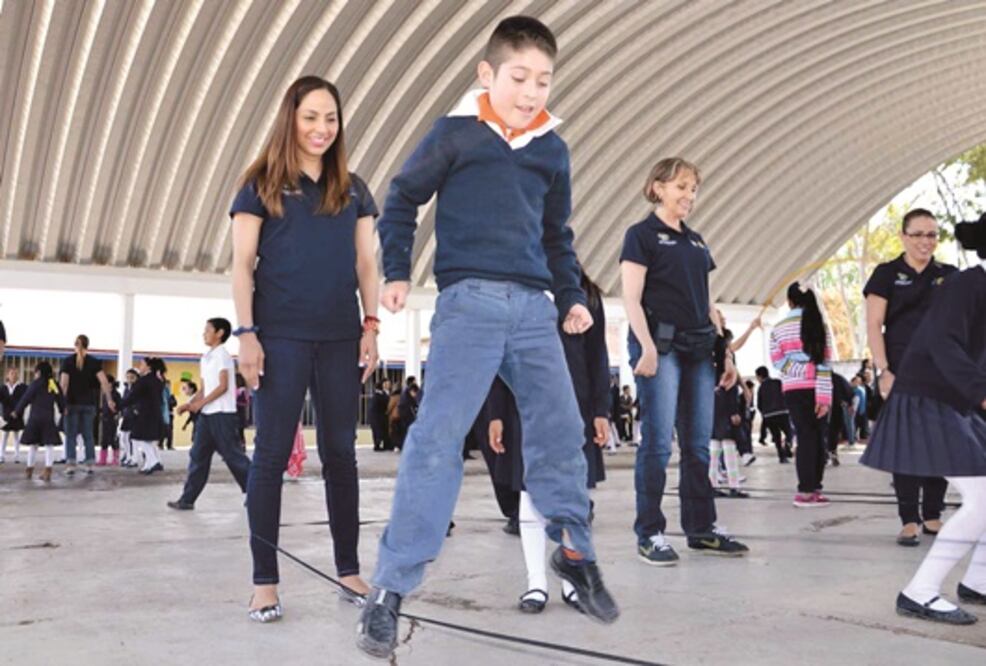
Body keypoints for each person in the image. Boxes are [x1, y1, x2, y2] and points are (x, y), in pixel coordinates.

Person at [358, 17, 619, 658]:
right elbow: (401, 198)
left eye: (543, 80)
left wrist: (570, 300)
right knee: (437, 440)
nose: (532, 92)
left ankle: (573, 550)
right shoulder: (456, 135)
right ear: (487, 74)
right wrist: (395, 270)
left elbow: (558, 238)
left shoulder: (552, 149)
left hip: (534, 309)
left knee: (562, 428)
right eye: (519, 78)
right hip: (469, 302)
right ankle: (389, 589)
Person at [230, 75, 380, 623]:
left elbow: (366, 262)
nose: (322, 128)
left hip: (341, 337)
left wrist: (370, 324)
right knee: (270, 456)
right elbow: (242, 265)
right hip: (280, 338)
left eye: (331, 118)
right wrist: (246, 335)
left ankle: (348, 569)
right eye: (312, 116)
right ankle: (264, 581)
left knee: (341, 454)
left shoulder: (354, 189)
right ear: (291, 117)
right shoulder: (260, 183)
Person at [620, 157, 747, 567]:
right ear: (657, 187)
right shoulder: (641, 236)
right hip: (661, 346)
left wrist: (725, 352)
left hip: (699, 349)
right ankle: (650, 532)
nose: (689, 196)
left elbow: (707, 302)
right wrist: (647, 348)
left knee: (697, 446)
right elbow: (631, 299)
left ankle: (701, 528)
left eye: (693, 188)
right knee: (657, 444)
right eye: (681, 187)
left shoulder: (696, 241)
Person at [860, 213, 986, 625]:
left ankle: (979, 582)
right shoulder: (968, 284)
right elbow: (941, 342)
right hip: (927, 396)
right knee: (982, 498)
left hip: (955, 400)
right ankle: (920, 592)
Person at [489, 268, 611, 614]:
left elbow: (597, 355)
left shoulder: (586, 293)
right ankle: (536, 584)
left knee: (572, 495)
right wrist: (496, 412)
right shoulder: (513, 288)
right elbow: (500, 352)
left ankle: (572, 586)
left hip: (576, 406)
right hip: (524, 406)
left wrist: (601, 409)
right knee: (529, 491)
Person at [864, 208, 957, 546]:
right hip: (901, 371)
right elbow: (874, 325)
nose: (925, 241)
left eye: (931, 235)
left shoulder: (949, 274)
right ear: (903, 236)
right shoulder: (886, 274)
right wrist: (884, 371)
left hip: (943, 374)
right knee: (906, 444)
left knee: (940, 444)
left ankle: (933, 514)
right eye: (918, 234)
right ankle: (909, 519)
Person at [168, 318, 252, 511]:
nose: (203, 333)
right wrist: (190, 404)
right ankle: (187, 499)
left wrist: (200, 405)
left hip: (223, 415)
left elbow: (223, 387)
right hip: (207, 416)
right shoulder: (206, 357)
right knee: (198, 456)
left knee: (233, 457)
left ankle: (255, 492)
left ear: (220, 333)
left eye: (207, 330)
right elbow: (206, 388)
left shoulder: (223, 355)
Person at [770, 283, 833, 507]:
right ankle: (814, 487)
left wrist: (800, 370)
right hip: (818, 388)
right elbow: (826, 363)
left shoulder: (778, 328)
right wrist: (824, 397)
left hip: (793, 390)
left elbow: (778, 362)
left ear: (790, 301)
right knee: (818, 439)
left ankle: (805, 490)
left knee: (804, 437)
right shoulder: (820, 325)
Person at [59, 334, 116, 475]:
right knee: (88, 435)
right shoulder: (94, 362)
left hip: (71, 404)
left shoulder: (67, 361)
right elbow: (104, 382)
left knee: (70, 435)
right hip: (89, 404)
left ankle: (71, 464)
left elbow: (64, 385)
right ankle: (90, 463)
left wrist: (62, 404)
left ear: (75, 345)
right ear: (87, 346)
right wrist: (109, 399)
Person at [11, 362, 65, 481]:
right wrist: (63, 409)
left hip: (35, 418)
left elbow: (25, 398)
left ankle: (29, 470)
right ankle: (48, 470)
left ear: (39, 372)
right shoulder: (53, 384)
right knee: (49, 445)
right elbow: (60, 398)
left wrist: (17, 411)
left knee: (33, 445)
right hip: (48, 419)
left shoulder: (35, 384)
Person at [116, 357, 166, 475]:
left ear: (149, 366)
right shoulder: (158, 380)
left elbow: (132, 397)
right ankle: (149, 464)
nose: (140, 366)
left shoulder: (143, 381)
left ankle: (153, 461)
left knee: (137, 437)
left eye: (142, 364)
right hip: (155, 413)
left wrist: (119, 406)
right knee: (147, 440)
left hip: (144, 414)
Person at [755, 366, 793, 462]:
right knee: (789, 433)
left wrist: (764, 413)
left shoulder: (761, 387)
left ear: (759, 377)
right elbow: (787, 394)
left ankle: (782, 457)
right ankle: (788, 444)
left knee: (776, 436)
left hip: (769, 415)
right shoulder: (778, 382)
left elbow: (759, 404)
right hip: (783, 412)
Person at [1, 367, 28, 464]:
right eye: (11, 373)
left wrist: (18, 411)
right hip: (6, 415)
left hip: (18, 414)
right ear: (7, 375)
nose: (14, 375)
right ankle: (1, 456)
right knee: (4, 436)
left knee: (17, 436)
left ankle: (17, 456)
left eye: (16, 373)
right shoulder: (3, 387)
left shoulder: (23, 387)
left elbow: (25, 400)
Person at [97, 375, 122, 466]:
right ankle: (102, 459)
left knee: (112, 439)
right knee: (104, 439)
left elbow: (119, 406)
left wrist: (117, 413)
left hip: (112, 419)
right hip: (105, 418)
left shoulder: (116, 394)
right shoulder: (105, 394)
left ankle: (115, 459)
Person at [118, 369, 139, 468]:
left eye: (132, 377)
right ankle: (127, 455)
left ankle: (133, 458)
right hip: (126, 415)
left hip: (133, 416)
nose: (130, 379)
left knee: (132, 438)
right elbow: (124, 401)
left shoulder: (137, 388)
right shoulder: (126, 388)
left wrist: (136, 409)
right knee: (123, 437)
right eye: (128, 377)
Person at [370, 379, 392, 451]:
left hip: (384, 416)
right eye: (385, 384)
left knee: (384, 430)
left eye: (388, 384)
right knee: (378, 431)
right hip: (377, 416)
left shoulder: (387, 393)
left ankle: (387, 445)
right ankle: (377, 445)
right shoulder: (378, 393)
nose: (387, 385)